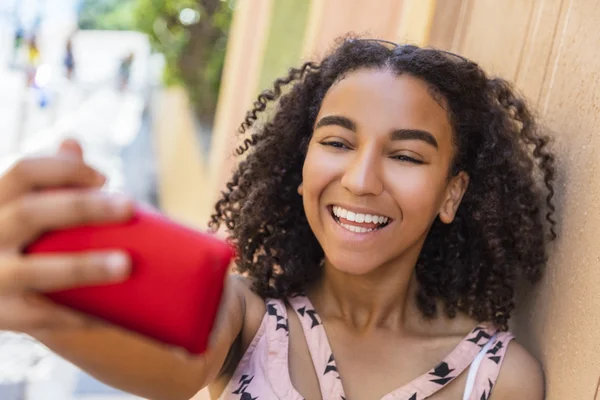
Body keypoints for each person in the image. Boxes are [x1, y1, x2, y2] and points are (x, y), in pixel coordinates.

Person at [0, 37, 555, 400]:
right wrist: (45, 314)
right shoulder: (249, 318)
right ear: (303, 163)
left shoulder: (497, 378)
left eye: (406, 155)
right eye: (337, 142)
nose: (361, 179)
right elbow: (176, 365)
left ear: (451, 193)